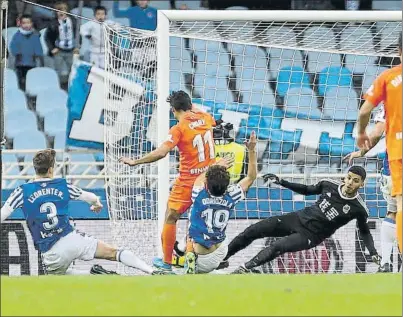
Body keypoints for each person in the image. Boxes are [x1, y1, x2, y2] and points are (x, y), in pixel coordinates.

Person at [0, 149, 165, 275]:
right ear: (51, 169)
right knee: (113, 252)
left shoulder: (22, 191)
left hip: (50, 252)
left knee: (59, 279)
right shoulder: (63, 186)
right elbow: (90, 196)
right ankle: (151, 271)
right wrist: (96, 204)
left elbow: (3, 214)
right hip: (71, 239)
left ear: (34, 169)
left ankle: (93, 275)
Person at [119, 91, 217, 272]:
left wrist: (136, 161)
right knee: (198, 220)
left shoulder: (178, 129)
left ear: (173, 110)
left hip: (189, 181)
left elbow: (161, 152)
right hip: (210, 178)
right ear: (190, 105)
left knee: (171, 217)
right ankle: (197, 257)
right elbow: (204, 120)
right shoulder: (206, 117)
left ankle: (167, 263)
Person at [222, 166, 380, 273]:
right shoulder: (329, 184)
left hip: (311, 235)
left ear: (362, 184)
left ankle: (246, 268)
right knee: (253, 230)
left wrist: (372, 252)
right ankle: (222, 259)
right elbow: (306, 190)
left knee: (278, 246)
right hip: (297, 218)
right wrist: (282, 182)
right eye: (349, 178)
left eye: (356, 181)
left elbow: (365, 233)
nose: (350, 183)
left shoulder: (359, 208)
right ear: (345, 177)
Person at [184, 131, 257, 274]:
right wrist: (252, 150)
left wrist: (216, 164)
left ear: (207, 184)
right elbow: (251, 177)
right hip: (221, 250)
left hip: (203, 254)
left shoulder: (198, 194)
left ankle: (189, 255)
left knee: (191, 227)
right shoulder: (232, 194)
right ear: (227, 185)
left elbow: (200, 178)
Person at [357, 34, 402, 254]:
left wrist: (361, 141)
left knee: (396, 210)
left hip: (397, 155)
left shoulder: (388, 79)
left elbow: (367, 114)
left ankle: (387, 261)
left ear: (398, 51)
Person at [344, 106, 396, 272]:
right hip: (394, 167)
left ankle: (386, 263)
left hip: (394, 166)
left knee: (393, 212)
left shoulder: (389, 100)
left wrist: (361, 152)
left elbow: (376, 133)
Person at [45, 1, 80, 88]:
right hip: (59, 50)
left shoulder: (73, 21)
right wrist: (52, 48)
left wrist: (78, 46)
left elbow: (79, 34)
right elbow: (47, 37)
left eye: (63, 10)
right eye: (58, 10)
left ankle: (71, 86)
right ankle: (58, 87)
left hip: (71, 49)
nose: (61, 12)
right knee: (58, 69)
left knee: (72, 69)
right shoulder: (53, 23)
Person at [9, 14, 44, 90]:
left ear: (32, 23)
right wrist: (17, 53)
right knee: (20, 79)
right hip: (20, 62)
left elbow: (38, 46)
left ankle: (30, 93)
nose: (26, 25)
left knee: (31, 79)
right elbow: (13, 46)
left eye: (28, 23)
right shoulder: (17, 35)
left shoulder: (35, 35)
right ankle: (21, 92)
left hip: (32, 62)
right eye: (24, 23)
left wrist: (38, 54)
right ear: (20, 24)